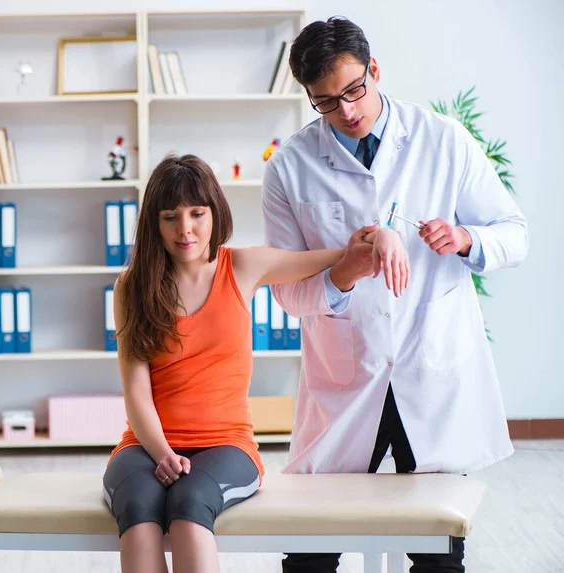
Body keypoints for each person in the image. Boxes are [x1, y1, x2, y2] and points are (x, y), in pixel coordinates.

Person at [261, 16, 528, 573]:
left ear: (374, 70)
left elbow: (514, 234)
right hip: (345, 379)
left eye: (354, 91)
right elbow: (287, 291)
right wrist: (343, 273)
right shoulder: (288, 168)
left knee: (435, 553)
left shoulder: (442, 140)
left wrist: (465, 238)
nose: (347, 112)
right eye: (326, 103)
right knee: (309, 554)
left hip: (428, 370)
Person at [102, 153, 409, 573]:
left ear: (215, 213)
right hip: (146, 444)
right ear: (154, 223)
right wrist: (163, 454)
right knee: (138, 508)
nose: (185, 229)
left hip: (226, 445)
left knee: (189, 506)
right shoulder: (131, 286)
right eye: (170, 216)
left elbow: (330, 257)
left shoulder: (241, 267)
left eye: (196, 213)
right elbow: (136, 391)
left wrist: (383, 238)